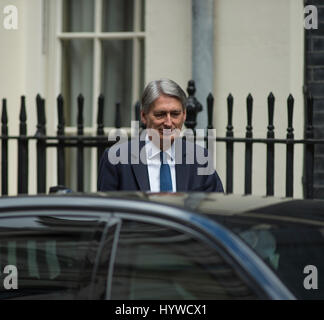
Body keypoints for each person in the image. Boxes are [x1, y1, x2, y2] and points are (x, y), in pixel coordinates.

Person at [97, 78, 224, 192]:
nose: (168, 123)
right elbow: (106, 213)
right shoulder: (116, 160)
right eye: (160, 114)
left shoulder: (200, 159)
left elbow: (216, 210)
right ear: (143, 116)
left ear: (184, 115)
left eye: (175, 114)